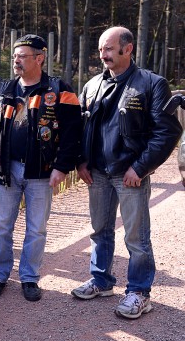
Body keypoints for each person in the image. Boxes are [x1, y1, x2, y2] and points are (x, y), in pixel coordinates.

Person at [71, 26, 183, 318]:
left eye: (108, 48)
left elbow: (167, 132)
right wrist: (81, 162)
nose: (102, 54)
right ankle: (101, 280)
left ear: (128, 48)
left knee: (136, 237)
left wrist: (141, 167)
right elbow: (82, 128)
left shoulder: (151, 84)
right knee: (99, 231)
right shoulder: (92, 84)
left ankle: (139, 293)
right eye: (100, 49)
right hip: (97, 172)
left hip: (129, 173)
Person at [0, 34, 81, 302]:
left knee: (36, 227)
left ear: (39, 58)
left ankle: (29, 277)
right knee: (1, 225)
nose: (16, 61)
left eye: (22, 56)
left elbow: (73, 133)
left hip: (42, 171)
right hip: (7, 169)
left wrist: (62, 167)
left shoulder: (60, 90)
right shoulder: (3, 90)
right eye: (15, 56)